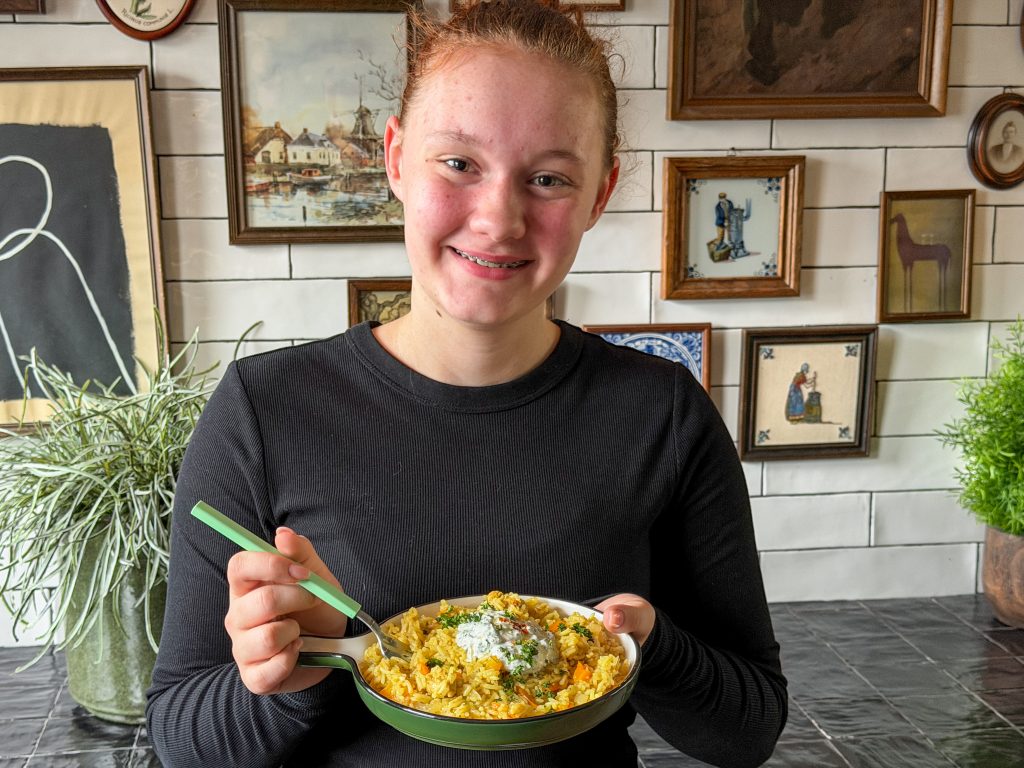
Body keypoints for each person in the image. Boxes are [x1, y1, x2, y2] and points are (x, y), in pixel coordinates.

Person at [145, 2, 787, 766]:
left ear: (599, 196)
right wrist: (313, 664)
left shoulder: (663, 412)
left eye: (548, 178)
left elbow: (750, 729)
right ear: (394, 159)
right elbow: (180, 738)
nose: (498, 219)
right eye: (458, 163)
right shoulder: (261, 410)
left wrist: (650, 647)